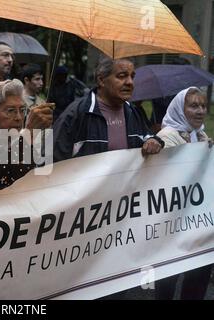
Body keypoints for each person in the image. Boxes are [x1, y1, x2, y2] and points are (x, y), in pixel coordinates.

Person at [155, 87, 212, 300]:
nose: (200, 111)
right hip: (172, 223)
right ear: (180, 108)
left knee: (198, 274)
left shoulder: (201, 135)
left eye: (203, 106)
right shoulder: (167, 137)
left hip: (197, 222)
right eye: (193, 105)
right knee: (168, 278)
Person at [53, 55, 164, 162]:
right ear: (101, 80)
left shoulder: (133, 111)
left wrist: (153, 141)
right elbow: (48, 160)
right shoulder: (77, 113)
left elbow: (147, 136)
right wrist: (36, 132)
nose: (130, 82)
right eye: (122, 76)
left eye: (132, 76)